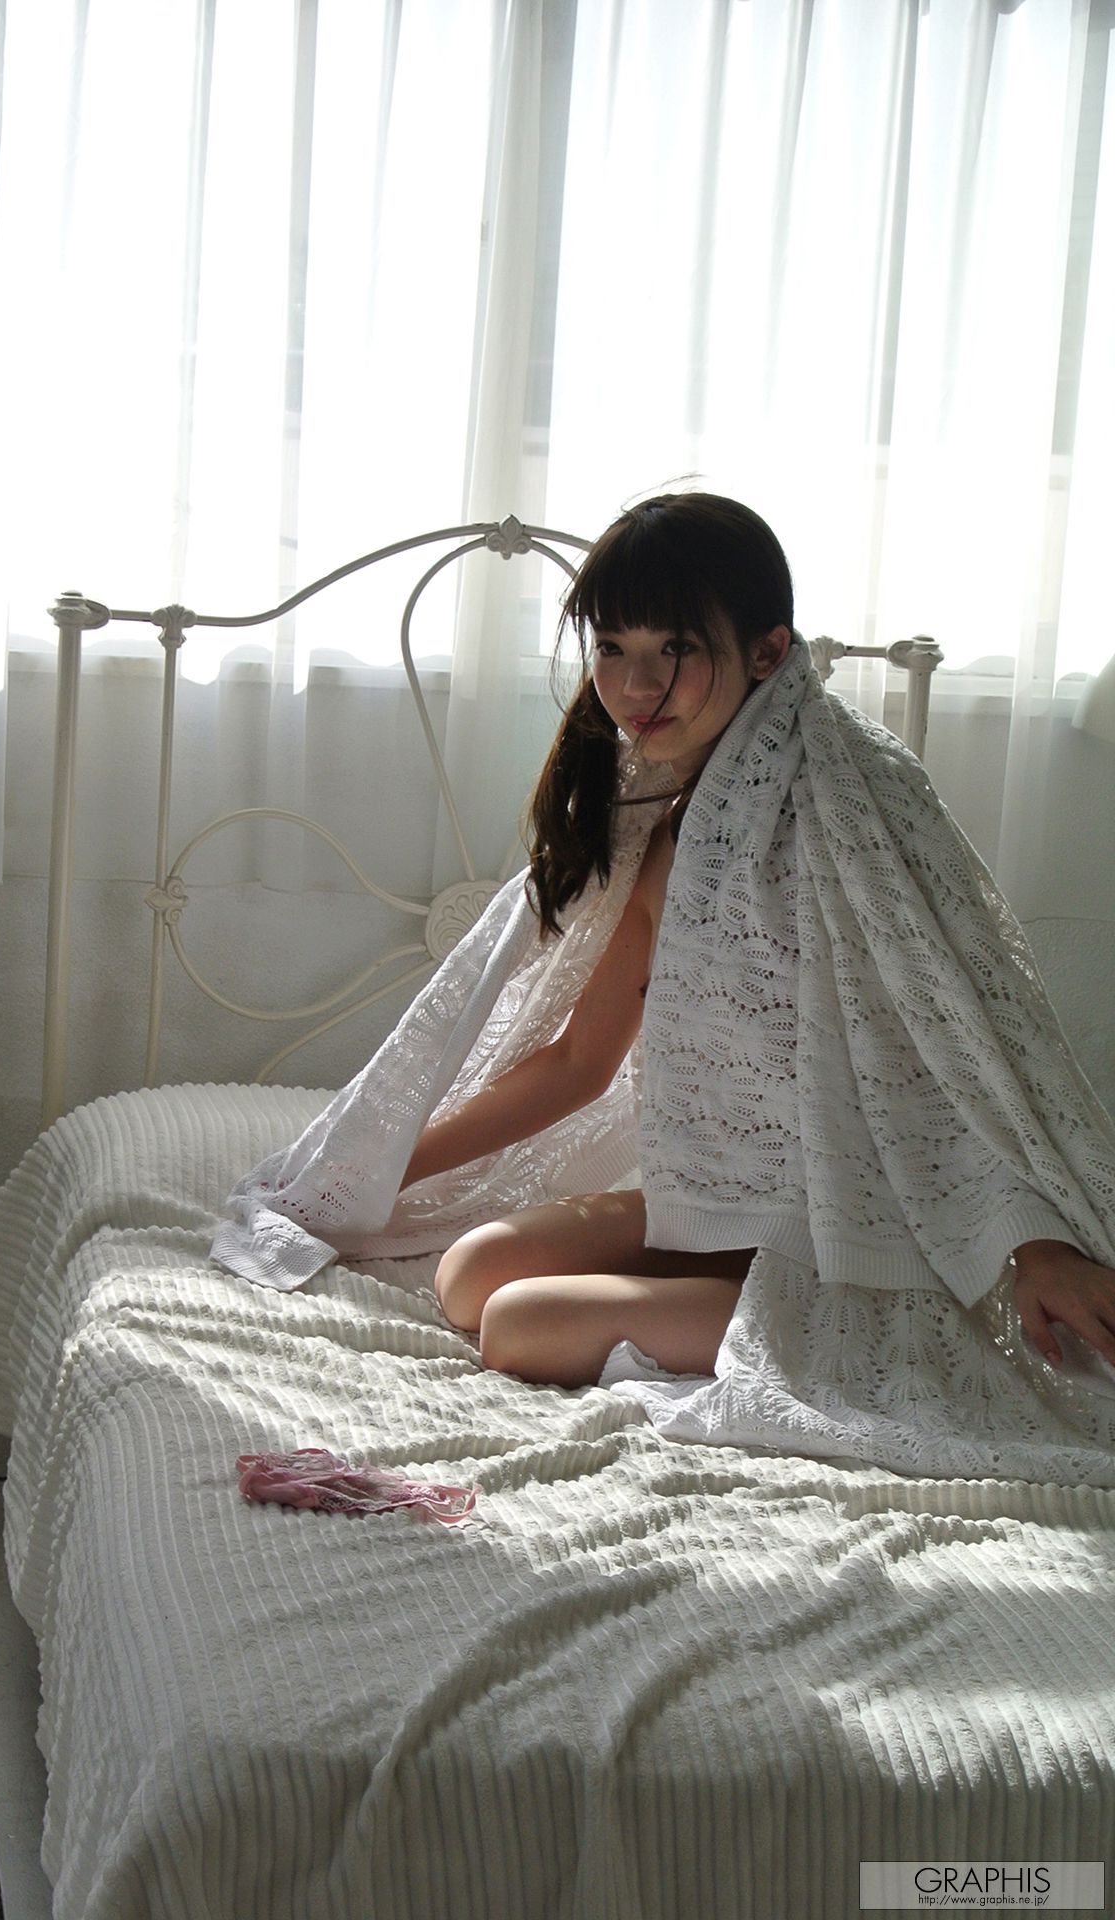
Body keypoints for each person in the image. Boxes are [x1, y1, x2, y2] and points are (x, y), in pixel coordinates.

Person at [396, 492, 1115, 1396]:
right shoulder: (663, 824)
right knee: (469, 1274)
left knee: (517, 1326)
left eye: (674, 649)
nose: (635, 686)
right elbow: (580, 1060)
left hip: (862, 1226)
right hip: (731, 1201)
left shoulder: (857, 797)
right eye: (612, 648)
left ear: (768, 652)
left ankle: (828, 1317)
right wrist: (378, 1171)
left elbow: (964, 1041)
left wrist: (1036, 1245)